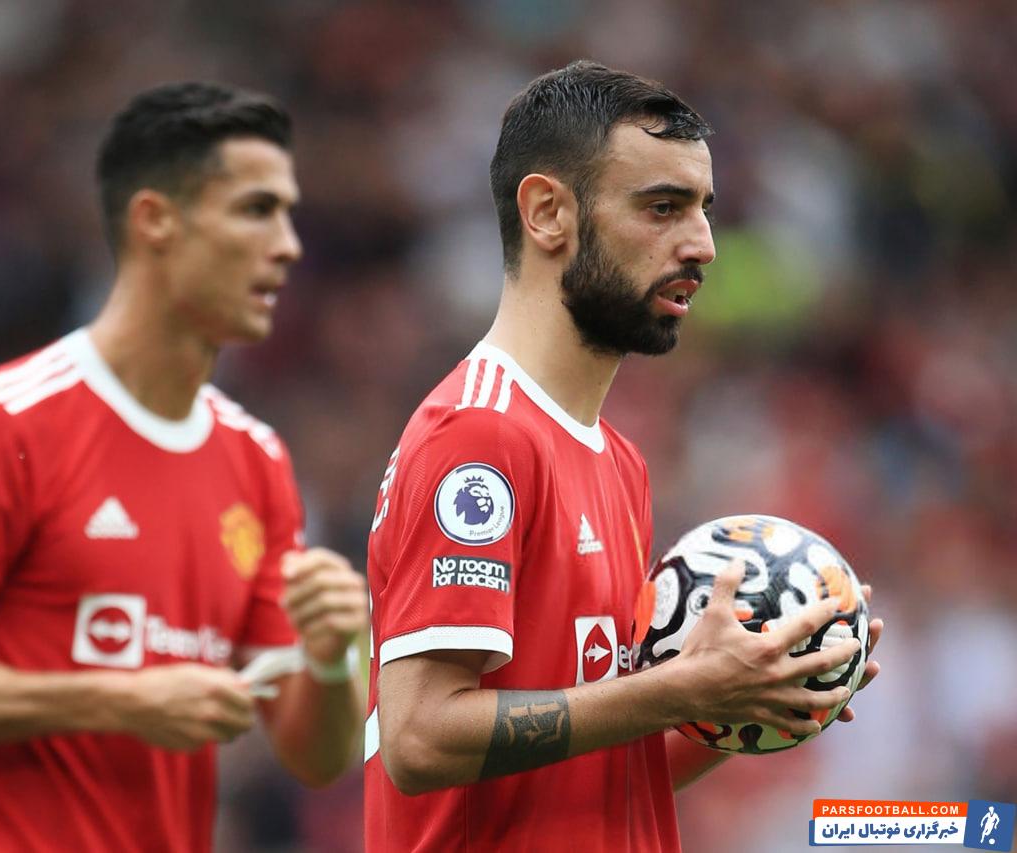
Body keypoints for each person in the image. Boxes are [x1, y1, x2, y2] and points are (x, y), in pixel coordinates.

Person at [0, 82, 368, 852]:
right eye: (256, 210)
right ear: (156, 221)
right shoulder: (2, 424)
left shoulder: (257, 459)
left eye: (286, 213)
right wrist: (118, 700)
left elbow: (316, 757)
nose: (287, 245)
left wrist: (333, 655)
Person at [363, 61, 883, 851]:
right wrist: (677, 688)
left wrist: (755, 693)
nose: (703, 245)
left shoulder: (618, 460)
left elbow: (603, 769)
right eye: (663, 208)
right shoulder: (479, 436)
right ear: (548, 212)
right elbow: (421, 737)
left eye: (705, 210)